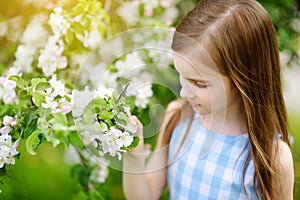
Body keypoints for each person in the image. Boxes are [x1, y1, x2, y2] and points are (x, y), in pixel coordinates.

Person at [122, 0, 294, 199]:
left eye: (199, 83)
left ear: (244, 79)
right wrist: (133, 155)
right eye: (181, 75)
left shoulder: (272, 158)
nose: (185, 93)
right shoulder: (177, 117)